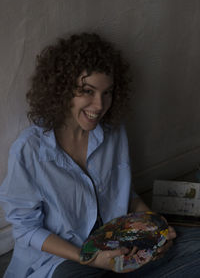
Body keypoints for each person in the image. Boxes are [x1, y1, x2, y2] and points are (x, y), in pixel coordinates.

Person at [0, 32, 198, 278]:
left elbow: (126, 195)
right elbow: (26, 229)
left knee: (193, 244)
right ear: (62, 90)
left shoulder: (114, 131)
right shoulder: (29, 149)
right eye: (87, 91)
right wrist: (90, 259)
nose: (99, 105)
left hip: (118, 243)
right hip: (65, 258)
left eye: (107, 93)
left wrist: (155, 230)